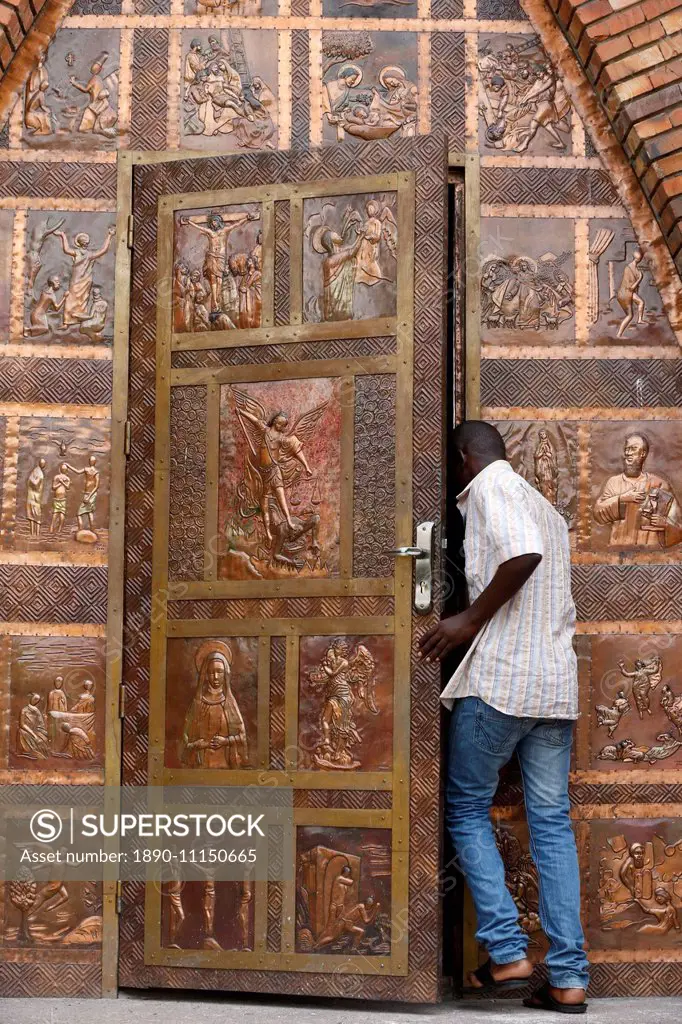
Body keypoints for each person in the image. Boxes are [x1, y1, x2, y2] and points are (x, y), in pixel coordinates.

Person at [421, 421, 588, 1013]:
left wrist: (465, 621)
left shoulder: (491, 487)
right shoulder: (546, 506)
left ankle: (508, 951)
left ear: (466, 458)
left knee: (466, 807)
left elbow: (523, 556)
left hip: (501, 683)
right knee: (550, 823)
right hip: (553, 687)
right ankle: (568, 979)